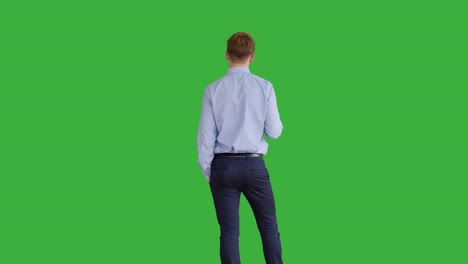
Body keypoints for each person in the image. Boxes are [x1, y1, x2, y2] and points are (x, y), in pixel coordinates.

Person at [197, 32, 284, 264]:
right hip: (255, 166)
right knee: (268, 227)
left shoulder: (212, 90)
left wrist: (207, 171)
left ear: (227, 55)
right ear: (252, 57)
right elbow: (274, 132)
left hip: (223, 167)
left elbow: (205, 137)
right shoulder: (265, 87)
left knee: (229, 233)